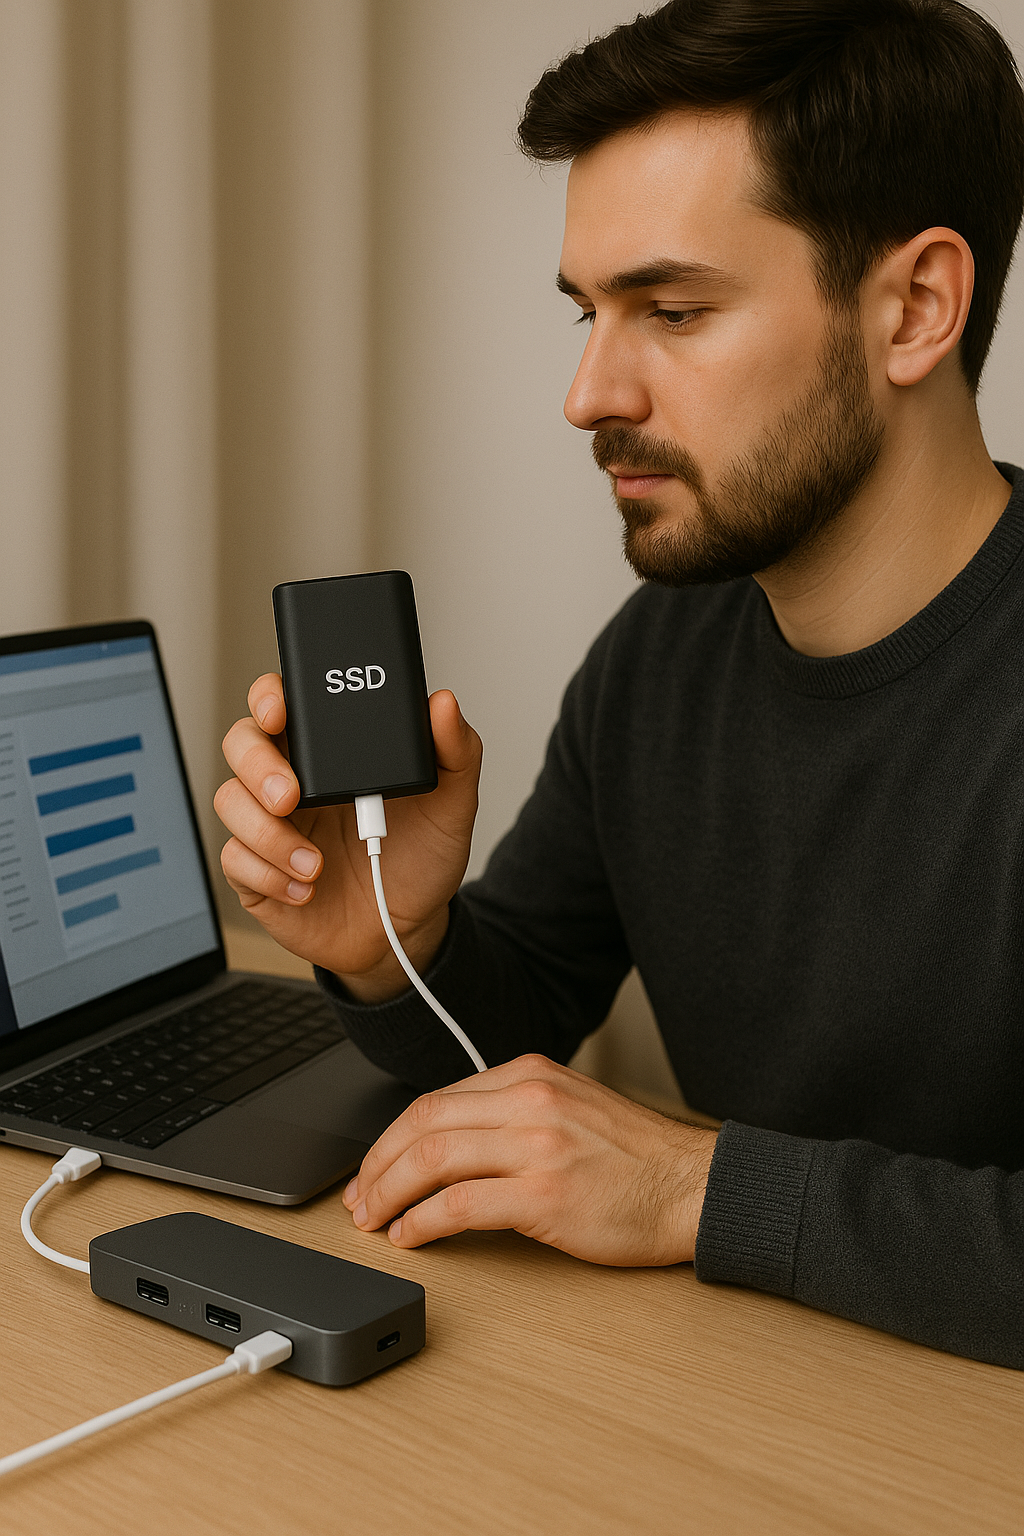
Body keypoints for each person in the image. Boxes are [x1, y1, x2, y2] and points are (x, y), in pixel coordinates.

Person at [215, 0, 1024, 1368]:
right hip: (750, 1414)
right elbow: (516, 1031)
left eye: (674, 310)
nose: (588, 393)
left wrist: (695, 1186)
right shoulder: (663, 659)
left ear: (915, 308)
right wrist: (392, 943)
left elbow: (668, 1183)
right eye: (590, 314)